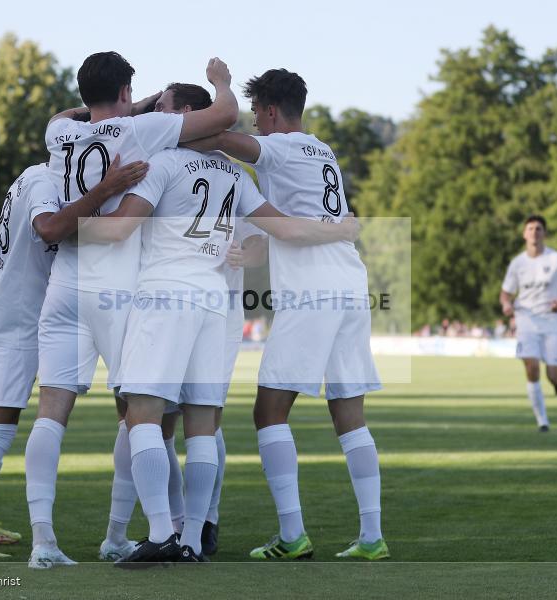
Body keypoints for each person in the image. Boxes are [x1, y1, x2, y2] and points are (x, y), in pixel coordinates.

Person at [82, 81, 360, 566]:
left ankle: (160, 534)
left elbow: (117, 229)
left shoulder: (162, 163)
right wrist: (339, 229)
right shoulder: (236, 176)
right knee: (204, 425)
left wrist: (74, 216)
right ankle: (191, 540)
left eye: (165, 109)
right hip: (216, 303)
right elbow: (287, 229)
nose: (159, 116)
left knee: (142, 414)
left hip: (166, 294)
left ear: (190, 114)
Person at [24, 52, 240, 569]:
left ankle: (43, 543)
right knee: (148, 416)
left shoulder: (59, 137)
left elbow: (61, 117)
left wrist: (120, 101)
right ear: (127, 91)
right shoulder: (143, 131)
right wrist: (219, 82)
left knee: (51, 414)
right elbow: (224, 116)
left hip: (63, 285)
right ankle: (146, 533)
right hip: (119, 290)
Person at [184, 68, 387, 561]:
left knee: (268, 411)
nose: (253, 123)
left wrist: (218, 89)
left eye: (257, 114)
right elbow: (279, 233)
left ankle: (292, 536)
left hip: (313, 291)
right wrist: (249, 253)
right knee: (349, 414)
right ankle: (372, 537)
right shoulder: (324, 151)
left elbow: (214, 135)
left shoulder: (281, 147)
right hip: (349, 284)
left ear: (272, 111)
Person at [0, 157, 147, 561]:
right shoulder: (47, 183)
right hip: (16, 317)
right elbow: (49, 227)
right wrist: (105, 189)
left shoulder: (34, 172)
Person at [500, 215, 557, 432]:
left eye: (538, 229)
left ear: (544, 233)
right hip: (526, 323)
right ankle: (542, 421)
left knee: (553, 374)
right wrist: (506, 305)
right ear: (524, 234)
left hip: (552, 323)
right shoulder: (517, 263)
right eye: (530, 229)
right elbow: (505, 293)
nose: (534, 232)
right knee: (532, 367)